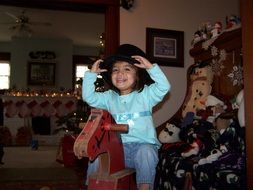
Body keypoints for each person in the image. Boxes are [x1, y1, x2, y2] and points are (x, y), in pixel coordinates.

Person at [82, 44, 171, 190]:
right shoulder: (108, 97)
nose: (120, 73)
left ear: (137, 75)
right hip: (116, 148)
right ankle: (92, 185)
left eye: (127, 69)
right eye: (115, 70)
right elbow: (89, 97)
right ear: (110, 76)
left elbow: (164, 87)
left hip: (141, 147)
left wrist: (151, 68)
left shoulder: (146, 95)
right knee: (97, 154)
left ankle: (144, 187)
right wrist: (91, 75)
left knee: (147, 153)